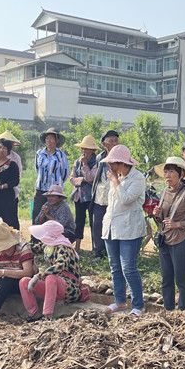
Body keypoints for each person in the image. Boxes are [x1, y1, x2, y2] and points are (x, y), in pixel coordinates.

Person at [102, 145, 146, 315]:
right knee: (115, 266)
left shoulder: (138, 178)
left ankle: (138, 305)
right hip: (112, 227)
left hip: (129, 228)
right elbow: (111, 204)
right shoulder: (116, 176)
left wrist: (115, 182)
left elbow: (126, 199)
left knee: (128, 267)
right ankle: (119, 301)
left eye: (112, 163)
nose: (109, 167)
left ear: (121, 163)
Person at [152, 157, 185, 311]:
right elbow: (161, 221)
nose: (167, 175)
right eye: (166, 172)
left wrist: (178, 224)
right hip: (165, 241)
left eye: (171, 172)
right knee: (166, 278)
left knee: (181, 279)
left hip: (180, 241)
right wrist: (156, 215)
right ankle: (168, 311)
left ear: (181, 174)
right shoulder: (164, 192)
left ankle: (182, 311)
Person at [22, 220, 85, 321]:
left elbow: (60, 266)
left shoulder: (63, 247)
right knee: (24, 282)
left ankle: (48, 315)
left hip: (70, 288)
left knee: (51, 278)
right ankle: (33, 313)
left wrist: (38, 276)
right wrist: (21, 245)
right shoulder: (50, 246)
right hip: (53, 287)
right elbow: (36, 247)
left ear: (51, 235)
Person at [90, 129, 120, 258]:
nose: (114, 143)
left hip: (115, 196)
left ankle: (111, 253)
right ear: (104, 144)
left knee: (114, 224)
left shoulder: (122, 156)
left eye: (116, 140)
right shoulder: (100, 157)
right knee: (98, 224)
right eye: (111, 141)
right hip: (100, 196)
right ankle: (98, 252)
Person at [32, 128, 69, 223]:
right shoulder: (39, 154)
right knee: (37, 212)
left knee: (52, 214)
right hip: (40, 188)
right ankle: (35, 237)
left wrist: (56, 183)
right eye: (47, 138)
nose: (48, 140)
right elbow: (37, 169)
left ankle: (51, 237)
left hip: (54, 191)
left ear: (57, 140)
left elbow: (64, 174)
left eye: (51, 138)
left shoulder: (61, 156)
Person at [69, 135, 99, 252]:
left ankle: (95, 247)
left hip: (92, 197)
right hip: (79, 196)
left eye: (86, 148)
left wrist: (85, 165)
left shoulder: (97, 162)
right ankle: (77, 246)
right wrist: (83, 180)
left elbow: (92, 177)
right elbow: (72, 178)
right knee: (79, 221)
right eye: (83, 148)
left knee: (94, 222)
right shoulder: (77, 162)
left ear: (93, 150)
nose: (84, 151)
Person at [0, 131, 23, 202]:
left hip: (9, 191)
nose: (2, 149)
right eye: (0, 146)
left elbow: (18, 175)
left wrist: (5, 185)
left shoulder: (16, 158)